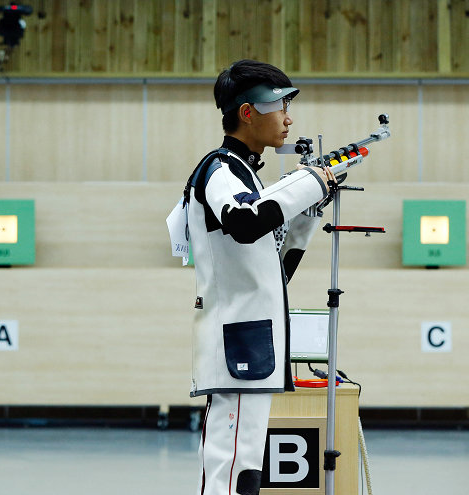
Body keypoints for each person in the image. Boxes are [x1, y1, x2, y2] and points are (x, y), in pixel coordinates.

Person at [184, 59, 334, 495]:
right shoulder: (220, 169)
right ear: (248, 112)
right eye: (280, 107)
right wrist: (309, 182)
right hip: (239, 342)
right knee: (231, 469)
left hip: (253, 342)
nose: (289, 119)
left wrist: (305, 216)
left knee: (245, 468)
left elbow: (273, 272)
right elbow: (246, 221)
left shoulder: (246, 175)